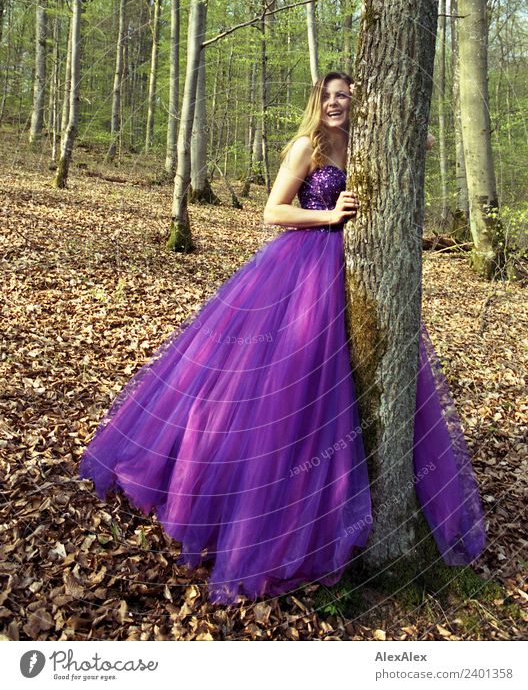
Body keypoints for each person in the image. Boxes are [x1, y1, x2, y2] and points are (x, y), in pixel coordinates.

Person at [79, 71, 485, 606]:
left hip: (358, 275)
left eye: (346, 96)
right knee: (288, 382)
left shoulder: (363, 144)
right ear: (316, 100)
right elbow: (273, 210)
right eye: (328, 95)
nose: (336, 103)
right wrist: (327, 213)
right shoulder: (306, 146)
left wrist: (388, 118)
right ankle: (244, 502)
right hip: (302, 272)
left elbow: (420, 137)